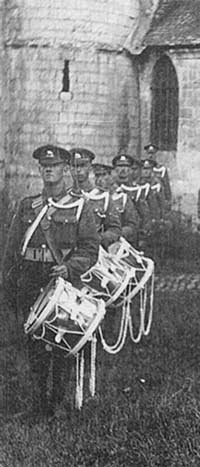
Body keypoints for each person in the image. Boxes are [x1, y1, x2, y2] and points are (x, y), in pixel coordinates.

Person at [1, 145, 100, 418]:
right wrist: (8, 286)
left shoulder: (80, 206)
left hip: (61, 285)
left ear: (66, 170)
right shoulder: (27, 206)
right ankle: (37, 403)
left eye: (54, 165)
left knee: (60, 341)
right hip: (30, 280)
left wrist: (70, 268)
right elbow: (12, 250)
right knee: (33, 343)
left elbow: (91, 249)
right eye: (44, 166)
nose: (48, 169)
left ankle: (57, 402)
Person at [67, 148, 122, 248]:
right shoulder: (65, 197)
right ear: (69, 168)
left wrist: (98, 238)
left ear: (89, 167)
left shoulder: (102, 197)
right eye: (74, 166)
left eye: (82, 166)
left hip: (94, 252)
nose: (78, 170)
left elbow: (115, 229)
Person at [97, 160, 139, 245]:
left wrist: (116, 234)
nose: (100, 179)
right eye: (97, 175)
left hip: (118, 242)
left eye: (104, 175)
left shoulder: (122, 198)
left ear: (111, 176)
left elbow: (132, 225)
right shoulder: (94, 198)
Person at [114, 154, 150, 236]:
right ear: (115, 169)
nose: (123, 169)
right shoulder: (111, 191)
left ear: (130, 170)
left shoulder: (138, 191)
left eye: (126, 166)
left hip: (132, 235)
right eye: (119, 166)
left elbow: (145, 216)